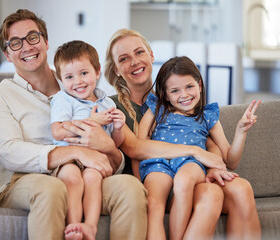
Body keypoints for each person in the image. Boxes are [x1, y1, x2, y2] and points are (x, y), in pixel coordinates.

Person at [0, 10, 147, 240]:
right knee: (52, 189)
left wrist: (108, 147)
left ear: (46, 42)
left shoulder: (77, 83)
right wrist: (76, 151)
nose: (26, 47)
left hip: (86, 175)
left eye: (33, 37)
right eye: (15, 43)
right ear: (7, 54)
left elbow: (110, 158)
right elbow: (9, 152)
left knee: (130, 187)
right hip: (24, 180)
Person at [103, 28, 261, 239]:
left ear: (151, 55)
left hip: (190, 172)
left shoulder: (172, 97)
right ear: (115, 69)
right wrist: (196, 151)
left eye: (139, 52)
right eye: (124, 58)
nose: (134, 61)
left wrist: (212, 162)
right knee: (208, 194)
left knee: (241, 189)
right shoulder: (112, 106)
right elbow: (135, 148)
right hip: (155, 178)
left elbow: (205, 137)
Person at [138, 56, 260, 239]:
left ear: (200, 85)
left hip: (190, 168)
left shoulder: (207, 116)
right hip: (159, 167)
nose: (184, 95)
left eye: (189, 87)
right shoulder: (157, 109)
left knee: (190, 179)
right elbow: (140, 146)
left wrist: (240, 131)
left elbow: (231, 160)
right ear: (165, 94)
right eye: (175, 90)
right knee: (155, 204)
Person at [51, 40, 125, 239]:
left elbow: (115, 144)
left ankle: (89, 227)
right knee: (72, 178)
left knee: (92, 178)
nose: (78, 81)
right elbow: (57, 132)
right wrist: (91, 121)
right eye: (69, 77)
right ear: (61, 79)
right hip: (69, 156)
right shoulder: (63, 99)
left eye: (84, 73)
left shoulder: (107, 102)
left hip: (96, 160)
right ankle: (74, 225)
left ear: (97, 71)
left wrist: (118, 128)